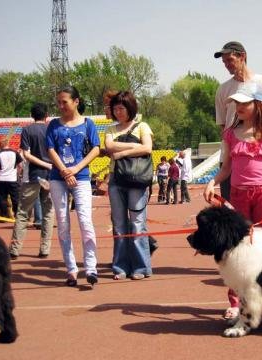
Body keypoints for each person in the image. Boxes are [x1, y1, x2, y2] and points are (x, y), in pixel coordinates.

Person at [204, 83, 262, 321]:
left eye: (245, 103)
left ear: (259, 104)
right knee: (236, 250)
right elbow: (226, 168)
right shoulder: (230, 134)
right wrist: (213, 182)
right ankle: (236, 302)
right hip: (239, 196)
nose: (239, 107)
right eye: (237, 103)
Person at [46, 86, 101, 287]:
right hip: (57, 177)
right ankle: (71, 268)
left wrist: (76, 168)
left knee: (85, 221)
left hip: (82, 177)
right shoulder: (53, 125)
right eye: (58, 103)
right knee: (62, 222)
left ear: (76, 101)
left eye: (64, 102)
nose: (61, 106)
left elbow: (96, 149)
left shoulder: (88, 124)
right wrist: (64, 171)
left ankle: (91, 267)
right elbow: (50, 149)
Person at [214, 41, 262, 200]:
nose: (226, 65)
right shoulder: (223, 90)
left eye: (229, 60)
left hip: (258, 159)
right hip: (231, 159)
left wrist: (261, 146)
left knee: (258, 213)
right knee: (231, 215)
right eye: (224, 62)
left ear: (242, 56)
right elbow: (223, 125)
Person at [104, 91, 154, 280]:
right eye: (115, 108)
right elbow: (109, 147)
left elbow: (147, 148)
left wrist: (121, 153)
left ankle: (141, 267)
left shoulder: (142, 126)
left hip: (136, 180)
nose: (118, 112)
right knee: (119, 224)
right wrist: (134, 147)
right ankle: (120, 266)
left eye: (121, 108)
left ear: (130, 108)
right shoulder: (110, 129)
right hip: (115, 179)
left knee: (137, 223)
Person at [9, 103, 54, 259]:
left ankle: (15, 249)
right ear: (46, 115)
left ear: (32, 115)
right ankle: (45, 249)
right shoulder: (51, 129)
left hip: (33, 176)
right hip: (50, 176)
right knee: (48, 212)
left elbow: (26, 155)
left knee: (22, 213)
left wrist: (43, 164)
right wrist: (49, 165)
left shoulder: (27, 130)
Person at [0, 139, 23, 218]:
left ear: (1, 145)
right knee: (15, 198)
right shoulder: (15, 152)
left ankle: (4, 214)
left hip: (1, 179)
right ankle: (17, 214)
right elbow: (20, 165)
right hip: (12, 179)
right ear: (7, 144)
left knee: (2, 198)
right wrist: (17, 174)